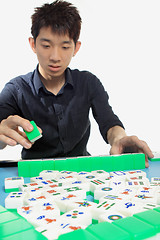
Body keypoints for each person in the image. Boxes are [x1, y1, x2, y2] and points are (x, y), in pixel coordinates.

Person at [0, 0, 153, 167]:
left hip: (82, 171)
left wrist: (120, 139)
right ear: (33, 44)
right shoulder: (15, 90)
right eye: (46, 45)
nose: (55, 57)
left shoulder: (89, 82)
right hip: (33, 173)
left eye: (65, 47)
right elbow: (2, 132)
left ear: (76, 48)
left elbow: (109, 123)